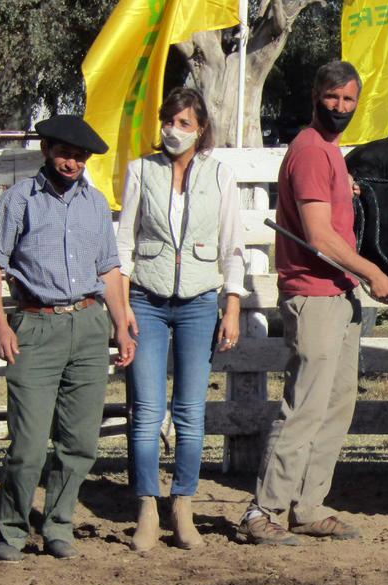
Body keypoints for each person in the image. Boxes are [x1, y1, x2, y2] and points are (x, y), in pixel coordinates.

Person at [238, 61, 388, 545]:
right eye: (333, 97)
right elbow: (319, 236)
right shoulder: (310, 151)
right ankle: (263, 511)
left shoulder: (329, 152)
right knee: (305, 407)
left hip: (338, 294)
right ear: (315, 96)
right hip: (314, 295)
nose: (340, 107)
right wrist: (371, 272)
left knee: (335, 407)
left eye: (349, 99)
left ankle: (306, 507)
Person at [0, 115, 135, 562]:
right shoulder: (18, 200)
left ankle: (58, 525)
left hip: (87, 325)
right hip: (35, 325)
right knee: (28, 445)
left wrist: (120, 325)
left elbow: (108, 268)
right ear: (46, 149)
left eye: (80, 156)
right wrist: (0, 324)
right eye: (66, 153)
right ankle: (11, 531)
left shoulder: (95, 203)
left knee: (80, 441)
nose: (73, 163)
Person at [116, 87, 245, 551]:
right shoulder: (141, 171)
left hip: (198, 301)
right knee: (147, 411)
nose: (174, 130)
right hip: (146, 300)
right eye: (169, 121)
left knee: (190, 412)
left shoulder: (220, 175)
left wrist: (232, 305)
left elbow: (232, 244)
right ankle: (147, 507)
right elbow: (124, 243)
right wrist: (122, 309)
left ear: (201, 128)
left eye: (184, 123)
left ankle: (183, 504)